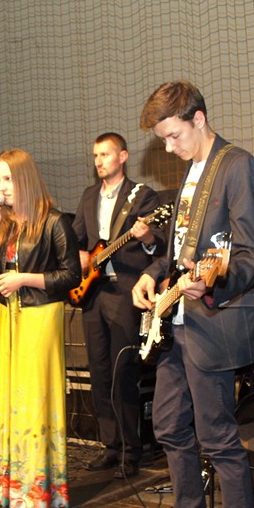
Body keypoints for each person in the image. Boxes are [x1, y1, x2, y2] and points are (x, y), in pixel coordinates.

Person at [131, 81, 254, 508]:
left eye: (174, 136)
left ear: (198, 118)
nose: (169, 148)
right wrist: (154, 272)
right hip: (180, 323)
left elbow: (253, 256)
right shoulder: (192, 173)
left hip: (215, 324)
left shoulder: (238, 167)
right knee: (169, 424)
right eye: (163, 140)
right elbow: (182, 251)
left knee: (218, 438)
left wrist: (212, 282)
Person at [0, 148, 81, 508]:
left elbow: (71, 275)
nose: (2, 186)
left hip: (40, 316)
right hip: (10, 316)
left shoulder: (54, 221)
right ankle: (9, 486)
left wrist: (24, 278)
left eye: (8, 178)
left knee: (33, 400)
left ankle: (35, 491)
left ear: (25, 179)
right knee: (9, 397)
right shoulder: (6, 224)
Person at [72, 132, 165, 480]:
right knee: (99, 371)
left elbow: (159, 245)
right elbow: (77, 239)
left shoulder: (143, 196)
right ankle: (110, 446)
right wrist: (79, 256)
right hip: (93, 293)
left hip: (125, 292)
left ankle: (130, 450)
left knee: (122, 371)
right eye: (95, 155)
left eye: (105, 154)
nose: (99, 161)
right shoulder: (88, 196)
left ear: (123, 156)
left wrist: (148, 237)